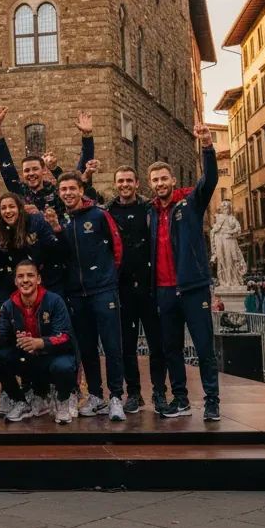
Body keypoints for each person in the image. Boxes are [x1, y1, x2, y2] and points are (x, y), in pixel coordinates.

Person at [148, 123, 220, 420]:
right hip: (164, 290)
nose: (160, 183)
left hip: (193, 287)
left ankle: (212, 401)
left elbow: (210, 179)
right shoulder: (150, 212)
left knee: (204, 347)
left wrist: (207, 147)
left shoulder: (190, 201)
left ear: (173, 180)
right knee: (171, 349)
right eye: (155, 180)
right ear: (150, 184)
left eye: (164, 178)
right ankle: (181, 399)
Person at [44, 173, 125, 421]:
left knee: (112, 345)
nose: (68, 193)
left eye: (72, 188)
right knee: (87, 348)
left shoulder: (99, 215)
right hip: (77, 294)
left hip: (102, 289)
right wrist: (57, 230)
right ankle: (96, 396)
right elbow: (63, 255)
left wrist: (108, 277)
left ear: (81, 190)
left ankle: (116, 397)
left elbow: (117, 247)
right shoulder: (63, 221)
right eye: (63, 189)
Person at [106, 165, 167, 414]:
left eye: (128, 180)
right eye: (120, 181)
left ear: (137, 183)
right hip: (123, 289)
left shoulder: (149, 208)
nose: (124, 185)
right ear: (115, 184)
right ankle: (133, 393)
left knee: (157, 345)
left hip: (149, 287)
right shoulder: (108, 211)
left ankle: (159, 392)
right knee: (127, 346)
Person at [0, 259, 78, 424]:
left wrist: (40, 343)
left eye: (30, 275)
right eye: (20, 276)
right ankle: (20, 401)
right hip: (27, 360)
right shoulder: (8, 306)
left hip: (52, 357)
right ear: (15, 281)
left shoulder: (55, 301)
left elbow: (65, 336)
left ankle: (62, 401)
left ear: (38, 279)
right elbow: (1, 341)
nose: (25, 280)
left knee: (64, 366)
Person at [0, 106, 94, 216]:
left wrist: (87, 137)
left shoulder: (56, 192)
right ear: (23, 174)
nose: (31, 173)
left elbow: (80, 179)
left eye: (35, 169)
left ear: (44, 170)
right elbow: (7, 169)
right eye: (27, 170)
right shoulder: (19, 192)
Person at [0, 193, 60, 304]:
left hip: (45, 282)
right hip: (15, 288)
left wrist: (57, 231)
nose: (8, 211)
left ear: (20, 209)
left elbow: (54, 251)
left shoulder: (35, 222)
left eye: (12, 206)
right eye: (3, 208)